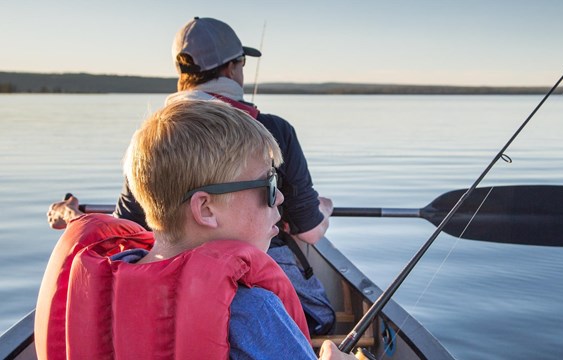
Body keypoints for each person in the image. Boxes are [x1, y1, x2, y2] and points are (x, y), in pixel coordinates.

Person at [47, 16, 336, 335]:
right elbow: (309, 232)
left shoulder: (149, 140)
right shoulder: (275, 130)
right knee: (320, 315)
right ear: (232, 68)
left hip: (169, 292)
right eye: (241, 63)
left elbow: (129, 226)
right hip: (265, 282)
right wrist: (322, 210)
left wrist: (74, 217)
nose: (277, 197)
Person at [36, 100, 355, 360]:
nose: (281, 197)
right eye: (270, 185)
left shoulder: (95, 288)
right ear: (205, 209)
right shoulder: (252, 312)